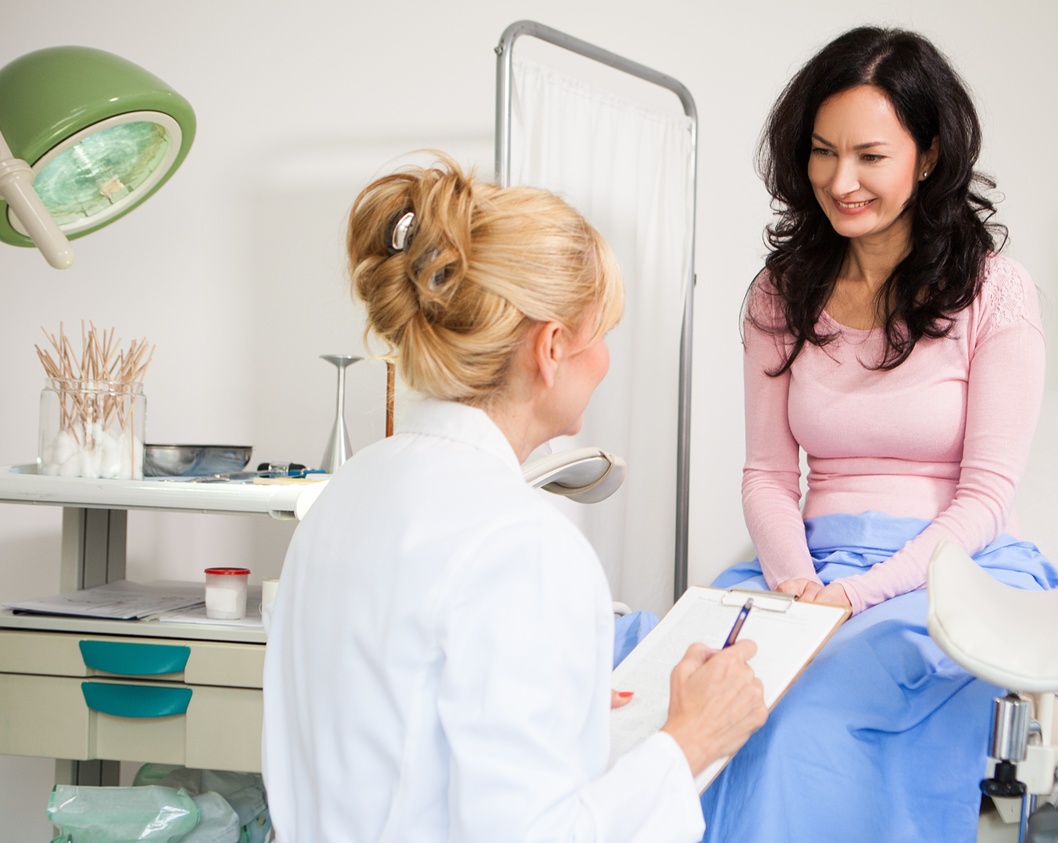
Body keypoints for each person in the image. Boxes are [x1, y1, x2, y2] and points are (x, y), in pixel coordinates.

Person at [262, 154, 768, 842]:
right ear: (551, 347)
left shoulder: (344, 496)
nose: (608, 362)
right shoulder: (524, 546)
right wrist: (691, 740)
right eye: (603, 335)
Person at [699, 28, 1058, 842]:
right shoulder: (779, 291)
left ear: (927, 155)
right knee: (711, 708)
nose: (840, 180)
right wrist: (797, 585)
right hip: (807, 568)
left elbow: (988, 496)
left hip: (942, 575)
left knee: (800, 726)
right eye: (824, 153)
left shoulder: (995, 294)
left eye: (869, 155)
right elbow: (765, 472)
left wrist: (852, 598)